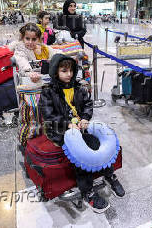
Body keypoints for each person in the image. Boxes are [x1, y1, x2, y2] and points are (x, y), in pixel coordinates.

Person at [39, 53, 125, 213]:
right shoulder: (48, 91)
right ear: (55, 72)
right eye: (64, 71)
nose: (69, 74)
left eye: (71, 70)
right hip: (60, 130)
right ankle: (88, 192)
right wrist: (67, 125)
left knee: (98, 145)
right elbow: (48, 115)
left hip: (81, 125)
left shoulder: (79, 87)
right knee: (82, 155)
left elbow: (87, 105)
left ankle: (109, 175)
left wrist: (85, 118)